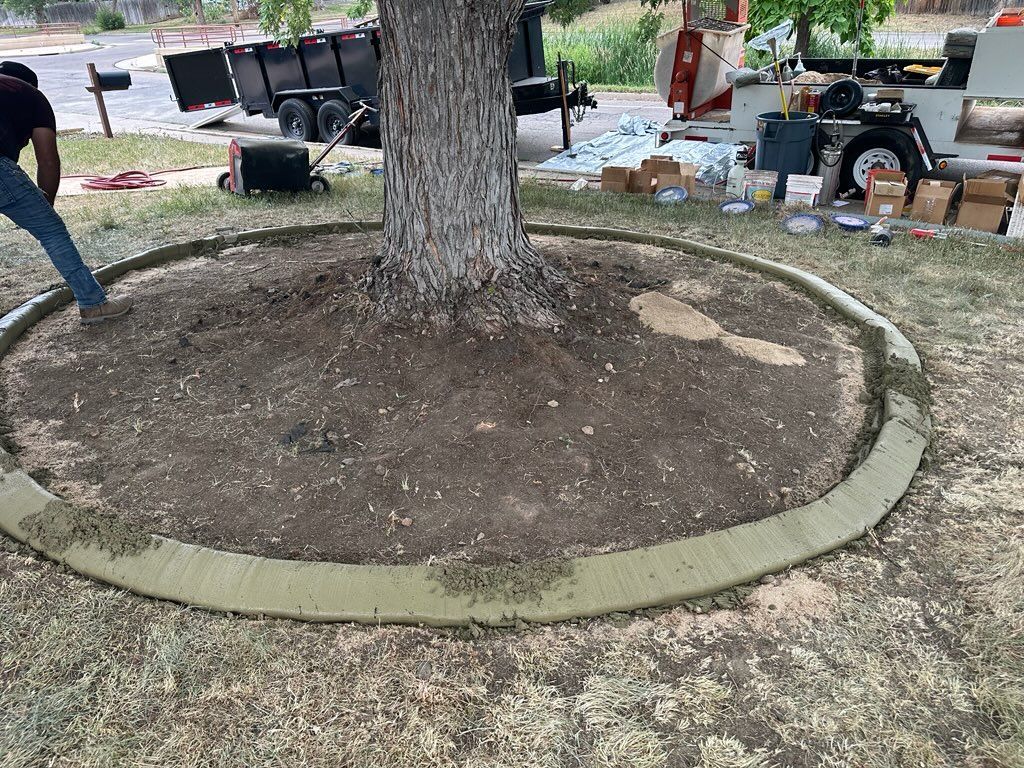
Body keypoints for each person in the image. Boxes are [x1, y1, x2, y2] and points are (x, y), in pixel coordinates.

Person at [0, 60, 132, 324]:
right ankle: (93, 303)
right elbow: (47, 160)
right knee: (51, 231)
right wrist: (46, 205)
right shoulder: (31, 96)